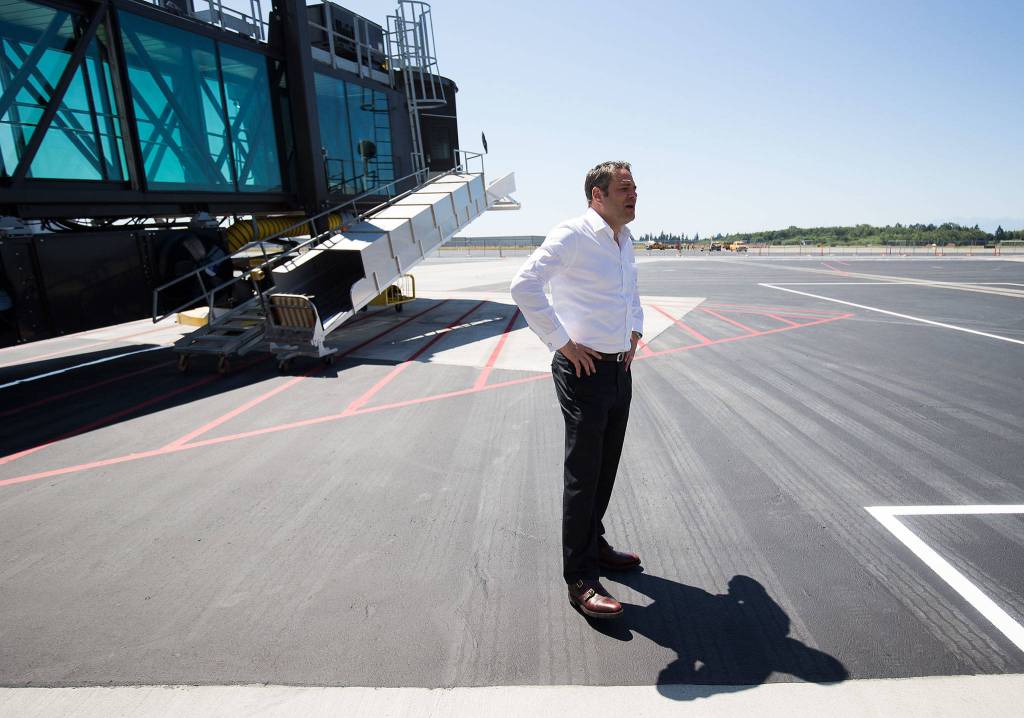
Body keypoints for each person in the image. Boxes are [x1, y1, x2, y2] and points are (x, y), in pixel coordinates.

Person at [510, 161, 644, 619]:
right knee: (583, 476)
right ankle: (580, 579)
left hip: (618, 369)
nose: (633, 195)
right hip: (583, 372)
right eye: (624, 188)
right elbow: (524, 285)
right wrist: (562, 343)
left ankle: (596, 542)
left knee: (606, 466)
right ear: (596, 195)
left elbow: (631, 293)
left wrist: (635, 331)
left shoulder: (624, 240)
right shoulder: (572, 235)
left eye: (635, 188)